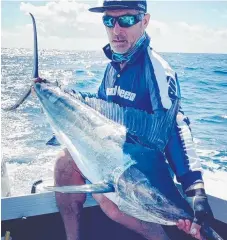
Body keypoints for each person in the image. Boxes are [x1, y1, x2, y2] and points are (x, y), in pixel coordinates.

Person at [54, 1, 213, 240]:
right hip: (110, 158)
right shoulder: (113, 68)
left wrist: (195, 188)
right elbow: (98, 111)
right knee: (64, 162)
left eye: (127, 20)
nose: (117, 29)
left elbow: (176, 123)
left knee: (113, 208)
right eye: (109, 20)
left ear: (144, 21)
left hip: (143, 172)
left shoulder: (158, 70)